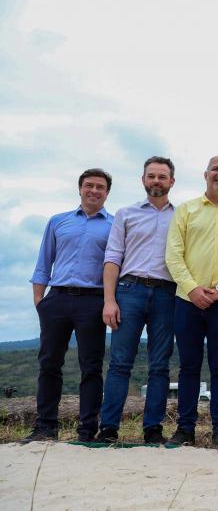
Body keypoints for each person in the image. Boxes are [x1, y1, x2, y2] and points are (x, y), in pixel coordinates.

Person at [165, 155, 218, 446]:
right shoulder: (187, 210)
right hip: (187, 300)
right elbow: (173, 254)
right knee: (189, 366)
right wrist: (192, 289)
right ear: (205, 174)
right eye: (216, 169)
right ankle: (185, 429)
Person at [25, 168, 114, 443]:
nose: (94, 191)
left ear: (107, 193)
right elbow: (44, 262)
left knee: (91, 366)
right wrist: (40, 302)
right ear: (80, 188)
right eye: (89, 185)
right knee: (49, 363)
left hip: (93, 299)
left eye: (100, 187)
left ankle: (87, 429)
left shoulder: (114, 225)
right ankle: (45, 427)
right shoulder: (58, 221)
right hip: (57, 298)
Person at [96, 157, 177, 445]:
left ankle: (153, 428)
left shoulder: (181, 217)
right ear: (143, 180)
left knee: (160, 365)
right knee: (119, 363)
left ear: (171, 182)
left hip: (167, 293)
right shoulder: (126, 214)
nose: (157, 181)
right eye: (151, 176)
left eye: (162, 177)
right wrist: (109, 300)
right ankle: (108, 428)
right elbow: (112, 258)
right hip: (129, 291)